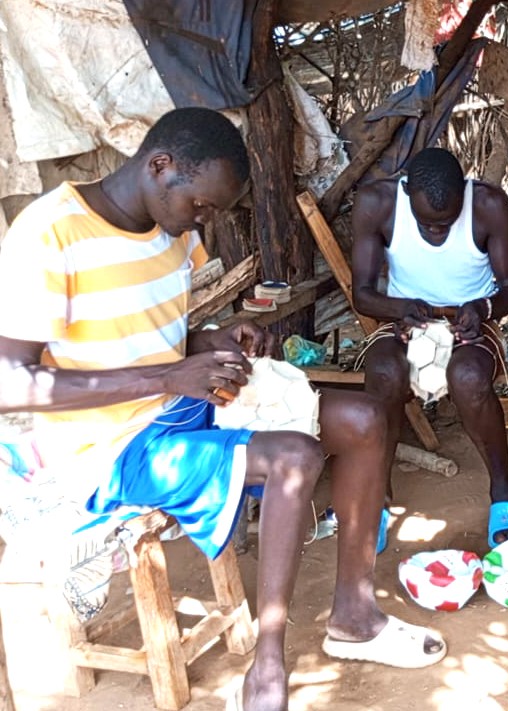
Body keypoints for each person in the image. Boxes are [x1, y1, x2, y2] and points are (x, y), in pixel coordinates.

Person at [0, 108, 446, 711]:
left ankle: (354, 617)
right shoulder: (50, 233)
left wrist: (213, 339)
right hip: (107, 450)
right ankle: (267, 668)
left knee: (365, 420)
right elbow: (11, 382)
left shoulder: (173, 232)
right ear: (160, 167)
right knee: (295, 458)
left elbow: (154, 336)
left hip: (177, 408)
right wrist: (169, 374)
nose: (205, 223)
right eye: (202, 207)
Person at [350, 147, 508, 548]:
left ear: (463, 194)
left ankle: (504, 486)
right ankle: (378, 494)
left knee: (467, 377)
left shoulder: (487, 205)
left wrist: (481, 309)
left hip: (471, 322)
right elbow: (362, 294)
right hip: (403, 320)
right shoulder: (378, 202)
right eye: (427, 225)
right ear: (407, 192)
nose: (437, 233)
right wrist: (400, 309)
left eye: (446, 224)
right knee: (383, 375)